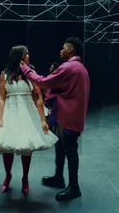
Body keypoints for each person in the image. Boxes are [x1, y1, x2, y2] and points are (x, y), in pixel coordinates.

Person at [20, 37, 90, 201]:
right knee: (60, 147)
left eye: (63, 48)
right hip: (70, 115)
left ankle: (74, 187)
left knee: (70, 151)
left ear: (71, 50)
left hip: (68, 116)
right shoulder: (79, 67)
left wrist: (25, 69)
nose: (61, 50)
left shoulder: (69, 67)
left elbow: (43, 82)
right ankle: (59, 178)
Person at [0, 45, 58, 195]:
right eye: (26, 54)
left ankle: (25, 178)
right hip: (11, 112)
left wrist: (42, 119)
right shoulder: (4, 74)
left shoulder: (31, 73)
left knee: (27, 146)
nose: (28, 57)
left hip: (27, 112)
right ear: (18, 56)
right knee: (7, 144)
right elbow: (1, 97)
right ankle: (8, 175)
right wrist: (0, 118)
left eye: (29, 54)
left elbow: (38, 97)